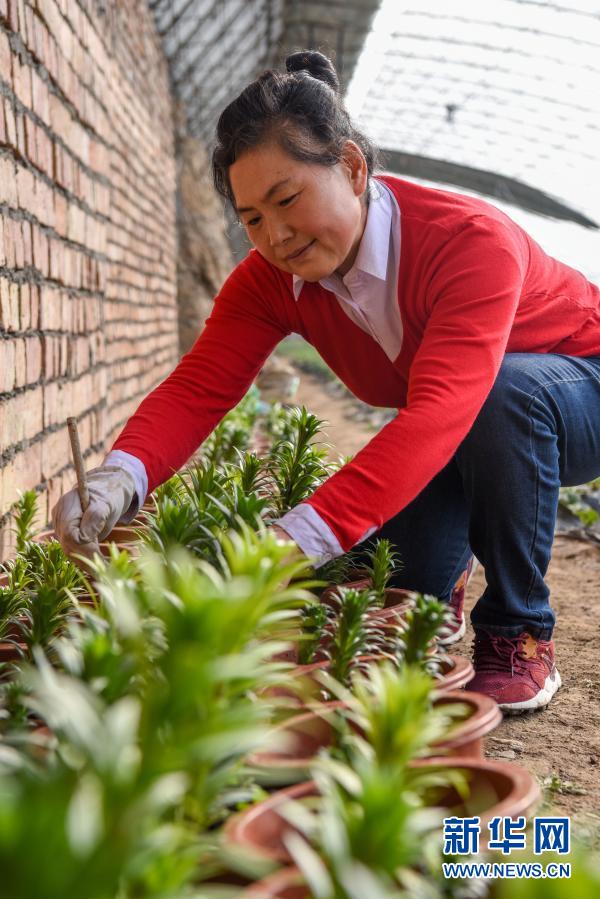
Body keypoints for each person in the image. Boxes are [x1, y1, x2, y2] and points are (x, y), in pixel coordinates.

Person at [52, 50, 600, 714]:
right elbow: (199, 387)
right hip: (461, 427)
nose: (276, 235)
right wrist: (121, 475)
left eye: (287, 199)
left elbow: (440, 412)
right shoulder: (270, 280)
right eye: (252, 218)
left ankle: (518, 632)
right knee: (377, 584)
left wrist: (294, 537)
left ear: (351, 167)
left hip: (571, 394)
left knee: (506, 393)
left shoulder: (468, 242)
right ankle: (440, 589)